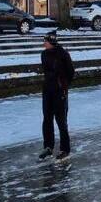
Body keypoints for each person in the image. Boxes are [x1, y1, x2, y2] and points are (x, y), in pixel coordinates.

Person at [39, 31, 75, 162]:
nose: (44, 43)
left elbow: (71, 72)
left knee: (61, 121)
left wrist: (63, 84)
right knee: (47, 119)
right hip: (47, 91)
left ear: (52, 42)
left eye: (46, 41)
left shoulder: (63, 54)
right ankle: (48, 146)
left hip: (59, 91)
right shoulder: (43, 54)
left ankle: (65, 149)